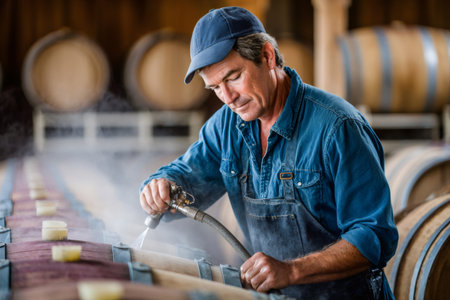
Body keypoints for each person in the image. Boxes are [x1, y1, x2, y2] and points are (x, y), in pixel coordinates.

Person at [139, 6, 398, 299]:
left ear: (267, 56)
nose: (228, 98)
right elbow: (185, 176)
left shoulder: (338, 127)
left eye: (234, 77)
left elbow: (375, 235)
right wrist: (160, 187)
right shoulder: (227, 126)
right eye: (215, 88)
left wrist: (291, 270)